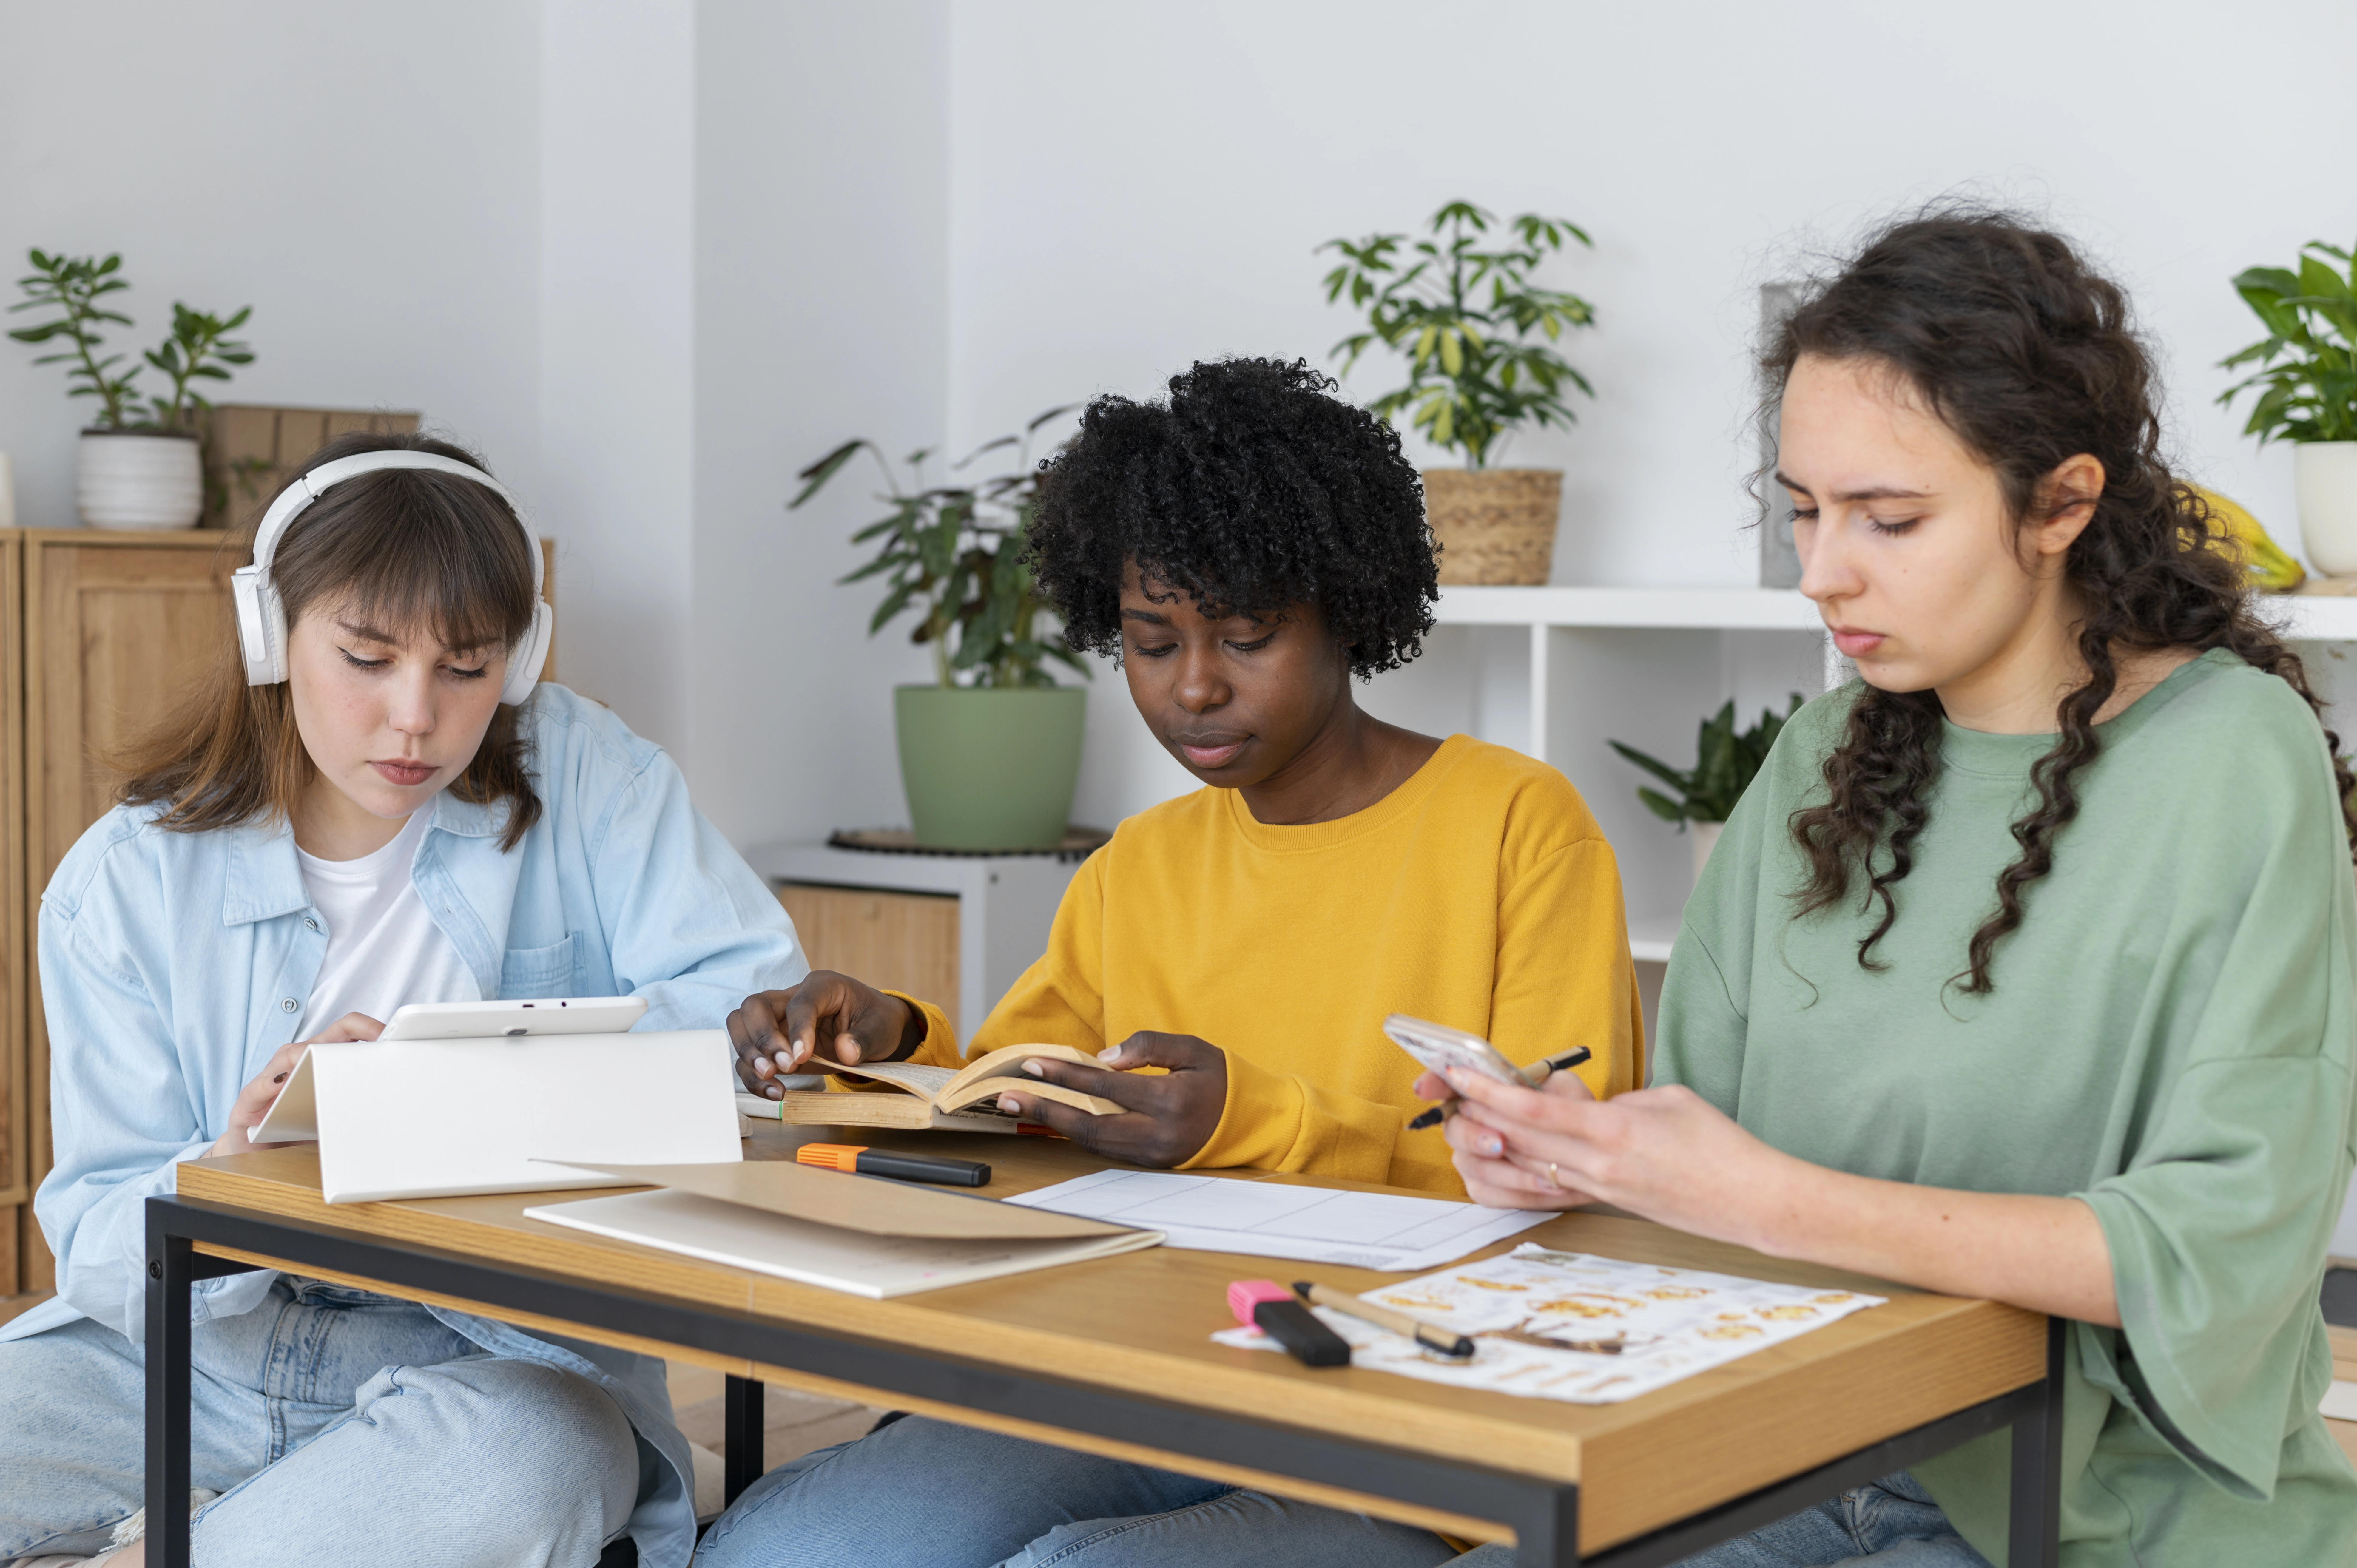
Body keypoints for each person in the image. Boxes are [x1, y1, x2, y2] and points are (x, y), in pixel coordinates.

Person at [1438, 211, 2357, 1567]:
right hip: (1789, 1447)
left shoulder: (2233, 761)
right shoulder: (1826, 753)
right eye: (1805, 511)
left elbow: (2216, 1253)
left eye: (1891, 519)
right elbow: (1706, 1144)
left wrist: (1759, 1199)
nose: (1823, 573)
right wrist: (1583, 1159)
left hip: (2088, 1514)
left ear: (2061, 503)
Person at [696, 357, 1643, 1567]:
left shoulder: (1516, 824)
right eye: (1151, 642)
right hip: (1129, 1368)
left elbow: (1561, 1171)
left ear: (1348, 611)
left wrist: (1245, 1115)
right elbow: (1013, 1091)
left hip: (1406, 1411)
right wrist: (893, 1039)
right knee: (787, 1554)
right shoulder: (1141, 862)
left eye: (1246, 638)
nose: (1194, 686)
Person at [0, 434, 806, 1568]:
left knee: (531, 1459)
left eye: (467, 667)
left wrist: (475, 1088)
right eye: (367, 659)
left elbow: (747, 1015)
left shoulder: (590, 776)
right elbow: (92, 1226)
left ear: (518, 664)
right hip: (192, 1362)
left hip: (486, 1354)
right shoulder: (124, 880)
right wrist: (240, 1163)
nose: (416, 718)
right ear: (270, 637)